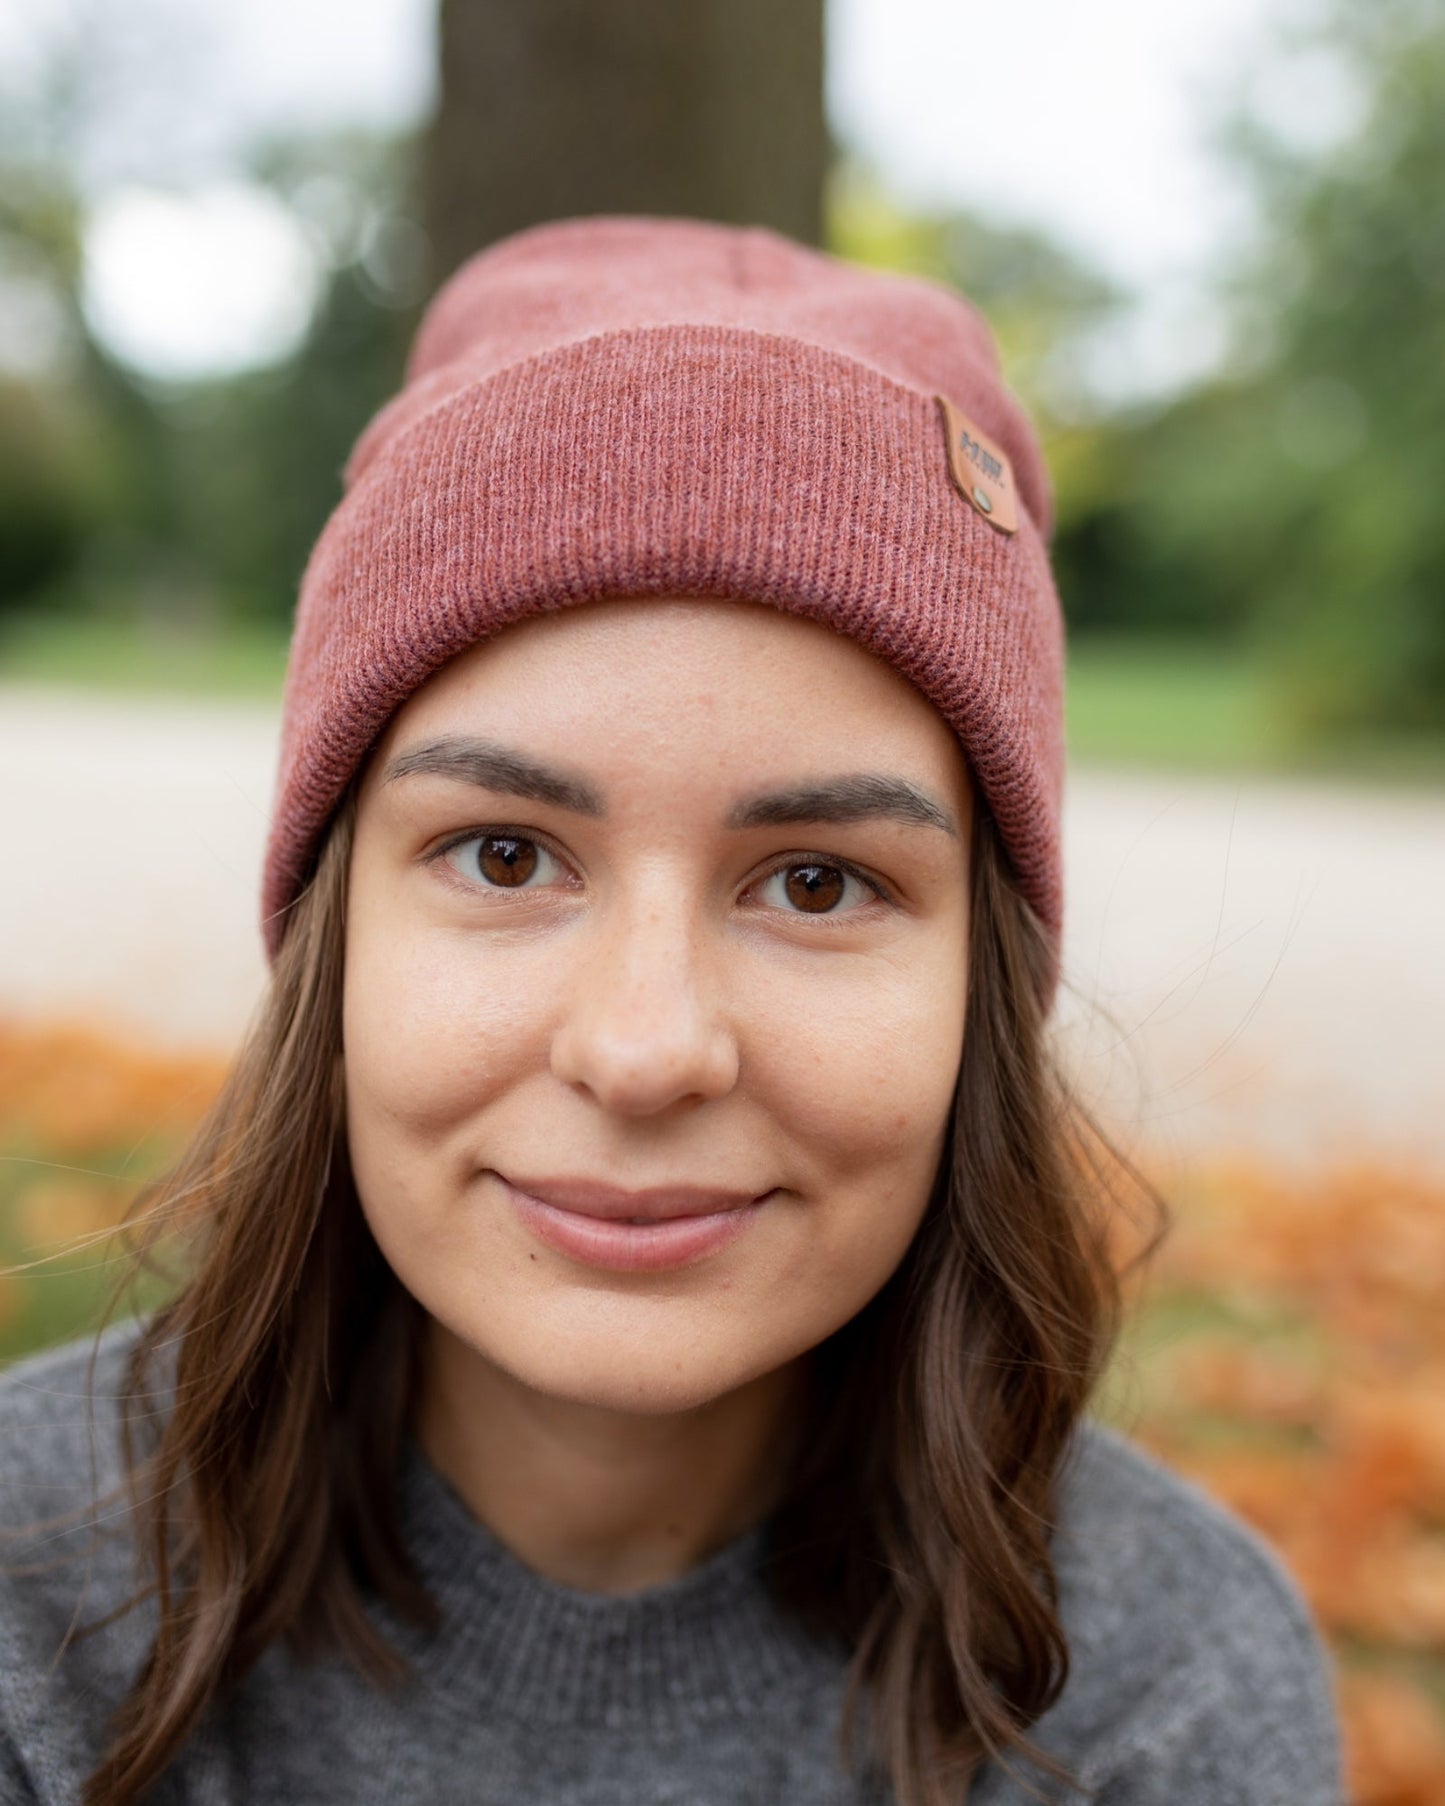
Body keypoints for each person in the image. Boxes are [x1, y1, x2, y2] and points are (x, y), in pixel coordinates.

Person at [0, 216, 1342, 1806]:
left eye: (818, 883)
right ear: (330, 935)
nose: (643, 1050)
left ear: (981, 987)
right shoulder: (36, 1601)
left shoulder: (1159, 1686)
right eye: (506, 855)